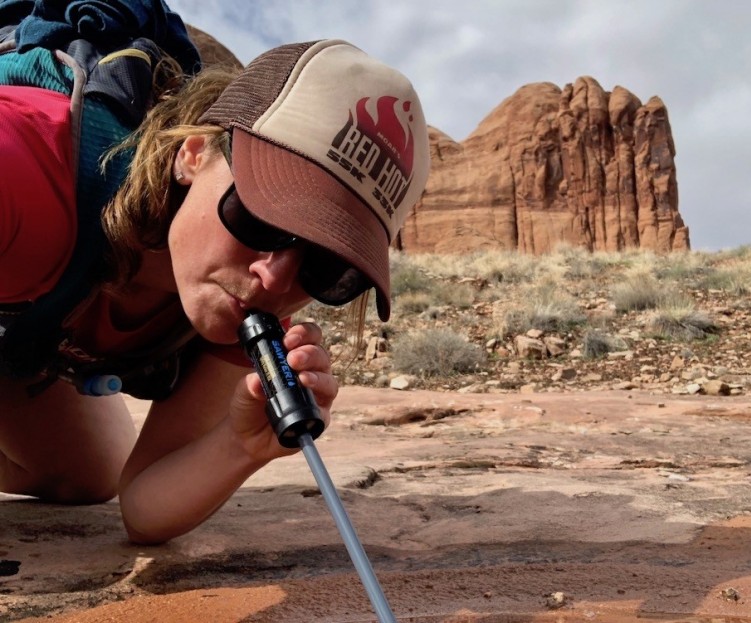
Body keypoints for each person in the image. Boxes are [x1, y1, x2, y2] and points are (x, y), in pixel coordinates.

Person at [0, 37, 430, 544]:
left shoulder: (248, 304)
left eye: (327, 267)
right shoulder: (23, 175)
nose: (275, 279)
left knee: (93, 472)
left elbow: (143, 506)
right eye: (260, 217)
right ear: (194, 152)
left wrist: (241, 446)